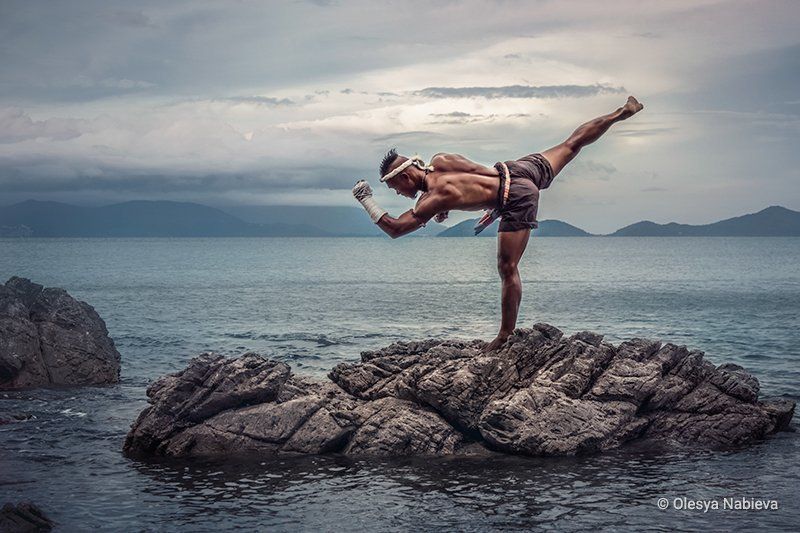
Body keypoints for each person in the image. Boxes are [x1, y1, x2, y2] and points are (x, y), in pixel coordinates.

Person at [353, 96, 644, 351]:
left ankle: (505, 335)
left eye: (395, 189)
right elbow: (471, 184)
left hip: (516, 198)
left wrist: (366, 200)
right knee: (572, 144)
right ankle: (622, 112)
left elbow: (395, 229)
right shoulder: (441, 159)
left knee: (508, 269)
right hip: (515, 170)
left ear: (404, 177)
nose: (399, 194)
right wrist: (477, 207)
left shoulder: (432, 199)